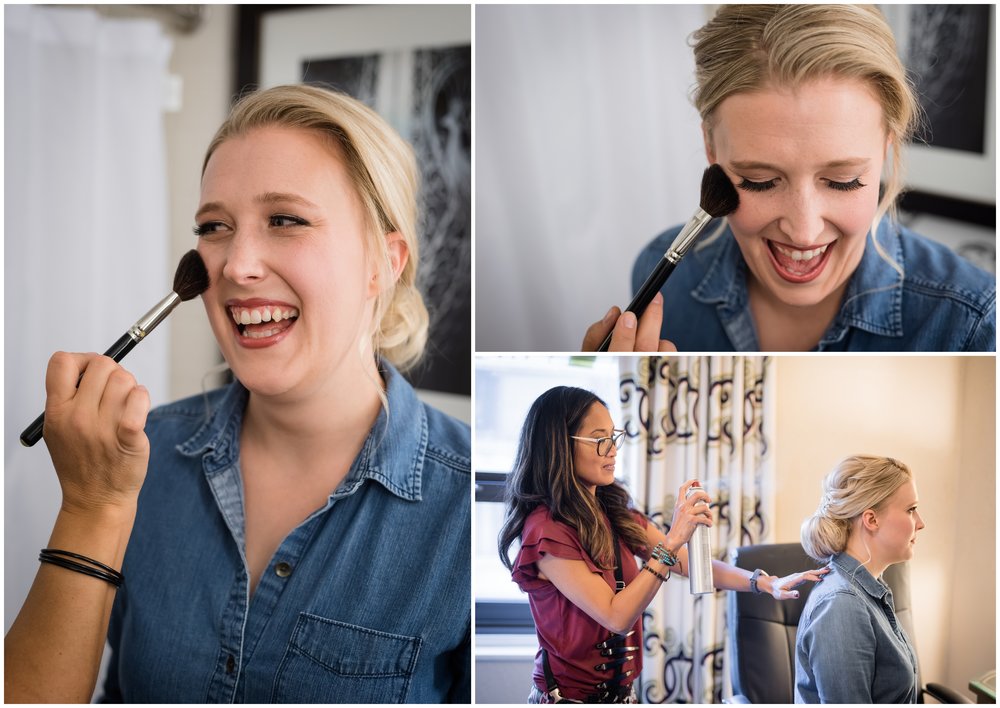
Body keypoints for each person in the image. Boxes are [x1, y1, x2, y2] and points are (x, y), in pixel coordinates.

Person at [5, 85, 470, 703]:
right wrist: (92, 509)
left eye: (286, 220)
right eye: (214, 227)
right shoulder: (132, 460)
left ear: (382, 263)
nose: (235, 264)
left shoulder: (470, 501)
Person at [583, 4, 995, 353]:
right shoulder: (662, 276)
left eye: (844, 180)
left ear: (887, 145)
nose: (803, 231)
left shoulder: (972, 326)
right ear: (711, 146)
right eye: (760, 180)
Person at [498, 386, 826, 703]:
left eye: (613, 437)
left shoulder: (614, 511)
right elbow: (616, 617)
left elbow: (691, 565)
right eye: (599, 439)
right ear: (558, 445)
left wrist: (764, 582)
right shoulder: (546, 532)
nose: (612, 449)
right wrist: (671, 541)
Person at [795, 455, 922, 703]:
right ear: (871, 519)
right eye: (911, 510)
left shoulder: (869, 591)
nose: (921, 523)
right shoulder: (842, 606)